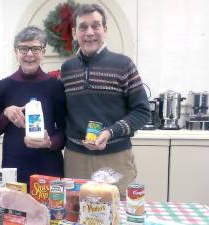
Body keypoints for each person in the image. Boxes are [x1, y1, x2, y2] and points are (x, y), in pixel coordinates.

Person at [60, 3, 150, 198]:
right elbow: (60, 111)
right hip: (76, 158)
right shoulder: (66, 69)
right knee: (77, 213)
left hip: (115, 157)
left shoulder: (124, 65)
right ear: (75, 33)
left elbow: (143, 111)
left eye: (96, 26)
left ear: (105, 30)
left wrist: (110, 132)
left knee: (119, 213)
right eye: (83, 27)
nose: (89, 32)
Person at [0, 26, 65, 186]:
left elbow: (65, 131)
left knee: (51, 211)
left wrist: (50, 142)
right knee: (15, 211)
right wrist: (5, 114)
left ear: (43, 52)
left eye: (35, 49)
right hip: (15, 169)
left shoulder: (56, 87)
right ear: (16, 52)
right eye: (24, 48)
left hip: (49, 168)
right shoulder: (3, 86)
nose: (29, 54)